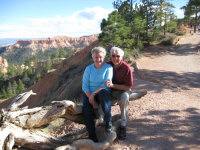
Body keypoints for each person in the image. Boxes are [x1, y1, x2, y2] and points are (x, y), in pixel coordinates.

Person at [82, 46, 113, 142]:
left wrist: (93, 95)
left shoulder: (108, 67)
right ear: (93, 57)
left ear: (104, 57)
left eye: (100, 57)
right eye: (96, 57)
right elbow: (84, 85)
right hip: (89, 92)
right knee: (86, 110)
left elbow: (106, 83)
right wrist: (90, 96)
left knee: (103, 94)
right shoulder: (88, 69)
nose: (98, 59)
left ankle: (108, 120)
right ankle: (92, 136)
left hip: (102, 91)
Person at [104, 46, 133, 140]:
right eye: (113, 56)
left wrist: (112, 86)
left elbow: (128, 86)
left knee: (124, 98)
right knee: (100, 96)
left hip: (122, 90)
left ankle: (123, 124)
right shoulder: (107, 64)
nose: (115, 58)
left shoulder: (126, 68)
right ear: (110, 56)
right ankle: (104, 122)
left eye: (118, 56)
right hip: (110, 90)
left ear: (122, 57)